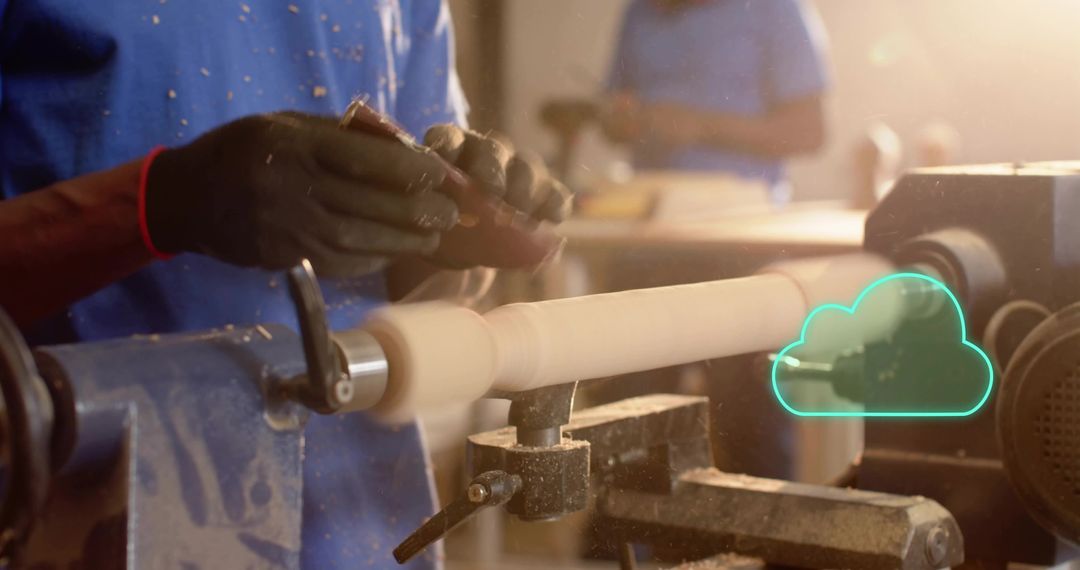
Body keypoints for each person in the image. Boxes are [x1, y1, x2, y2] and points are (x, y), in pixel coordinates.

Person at [0, 1, 568, 567]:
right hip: (93, 520)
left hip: (357, 524)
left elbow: (439, 284)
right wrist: (162, 202)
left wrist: (453, 229)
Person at [602, 0, 831, 202]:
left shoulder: (775, 7)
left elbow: (809, 131)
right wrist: (621, 119)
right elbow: (614, 114)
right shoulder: (639, 11)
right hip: (647, 208)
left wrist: (702, 126)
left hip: (743, 219)